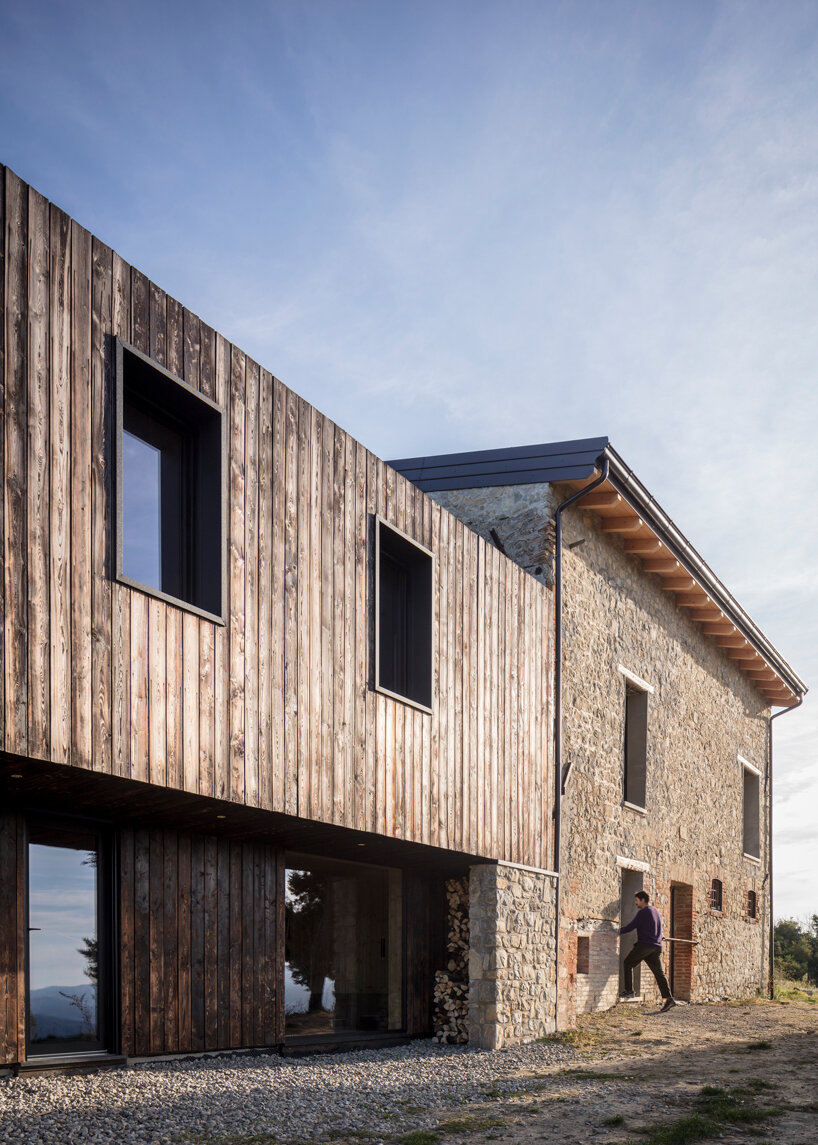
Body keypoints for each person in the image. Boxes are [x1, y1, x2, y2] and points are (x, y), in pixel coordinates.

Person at [619, 890, 676, 1012]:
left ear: (642, 900)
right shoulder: (656, 911)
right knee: (659, 973)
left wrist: (616, 931)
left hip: (645, 945)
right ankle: (669, 999)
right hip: (656, 946)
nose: (636, 903)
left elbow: (631, 926)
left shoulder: (643, 912)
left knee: (628, 963)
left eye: (637, 900)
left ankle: (629, 991)